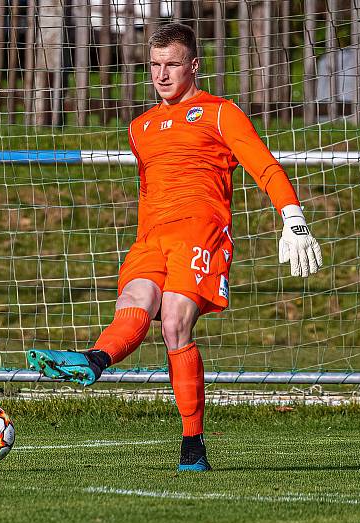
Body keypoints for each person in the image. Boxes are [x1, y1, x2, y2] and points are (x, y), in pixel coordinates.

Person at [27, 23, 322, 472]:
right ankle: (94, 359)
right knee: (135, 300)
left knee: (175, 322)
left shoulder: (220, 113)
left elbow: (264, 166)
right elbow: (148, 191)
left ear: (194, 67)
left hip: (201, 233)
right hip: (152, 237)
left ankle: (193, 446)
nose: (162, 75)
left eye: (172, 65)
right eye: (155, 66)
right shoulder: (140, 127)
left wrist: (293, 218)